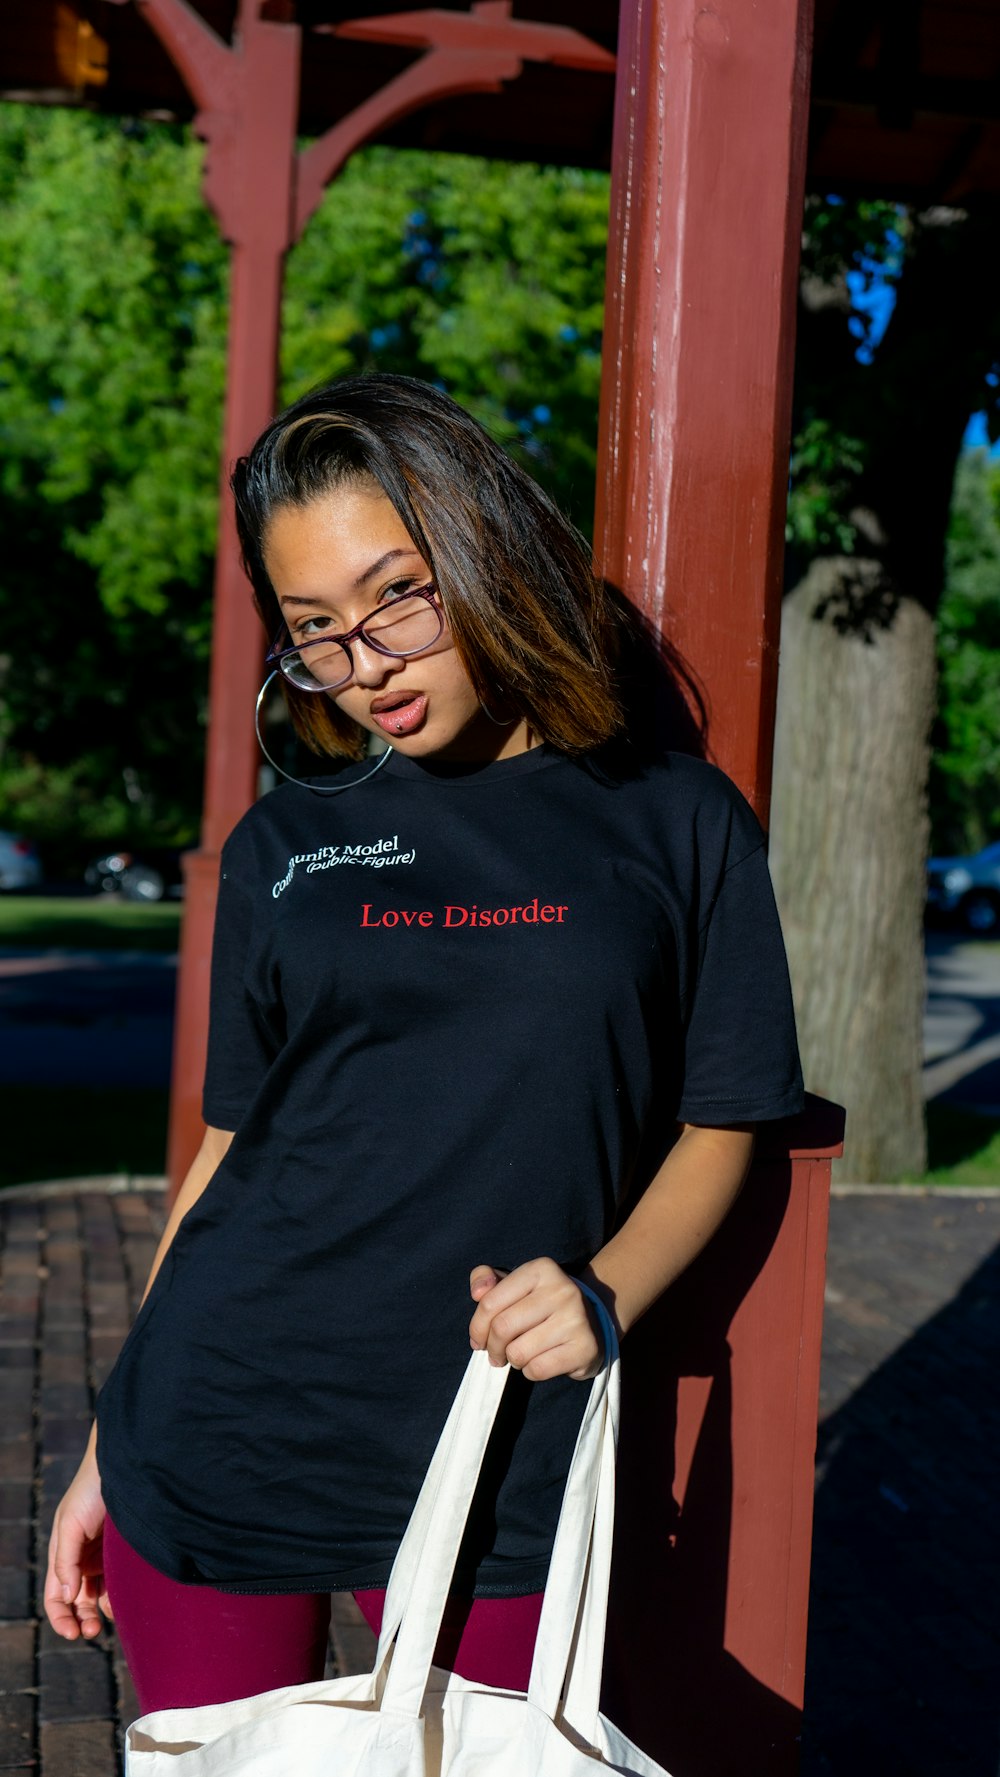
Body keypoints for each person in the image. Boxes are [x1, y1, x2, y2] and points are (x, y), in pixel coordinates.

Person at [44, 373, 804, 1714]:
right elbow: (232, 1146)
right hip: (225, 1419)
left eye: (399, 592)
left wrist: (607, 1290)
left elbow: (724, 1115)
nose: (365, 659)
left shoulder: (677, 822)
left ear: (484, 547)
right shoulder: (283, 846)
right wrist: (113, 1431)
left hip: (492, 1443)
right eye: (316, 627)